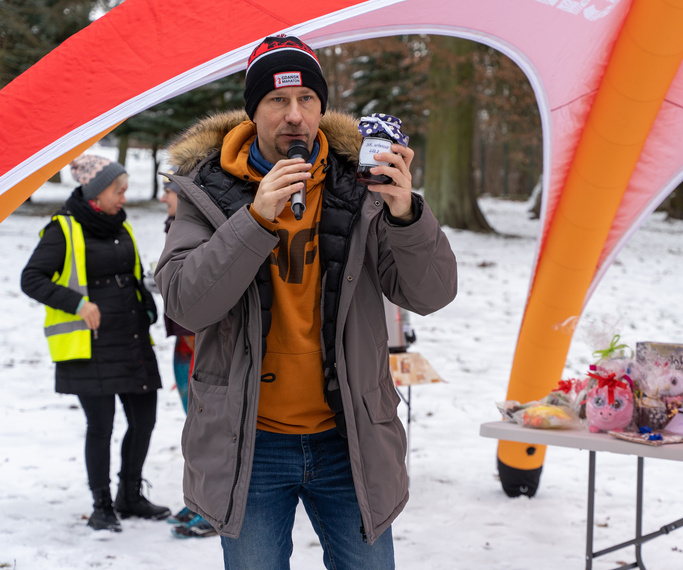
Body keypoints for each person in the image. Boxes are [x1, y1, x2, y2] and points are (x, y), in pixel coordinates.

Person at [155, 35, 457, 568]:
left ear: (321, 106)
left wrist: (406, 213)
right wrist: (253, 221)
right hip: (249, 444)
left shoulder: (361, 186)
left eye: (307, 101)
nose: (294, 116)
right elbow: (184, 302)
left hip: (350, 438)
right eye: (277, 100)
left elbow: (430, 294)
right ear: (252, 110)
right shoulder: (208, 189)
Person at [21, 154, 170, 532]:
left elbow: (132, 275)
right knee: (100, 426)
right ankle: (102, 505)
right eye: (118, 191)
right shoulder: (64, 229)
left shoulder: (120, 225)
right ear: (95, 191)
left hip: (132, 339)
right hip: (91, 346)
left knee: (144, 421)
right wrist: (77, 303)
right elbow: (32, 278)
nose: (123, 197)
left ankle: (130, 495)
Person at [158, 173, 217, 539]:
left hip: (202, 345)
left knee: (208, 429)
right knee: (194, 429)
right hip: (184, 345)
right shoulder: (174, 227)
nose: (164, 198)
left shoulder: (203, 231)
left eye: (170, 192)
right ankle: (198, 500)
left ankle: (211, 509)